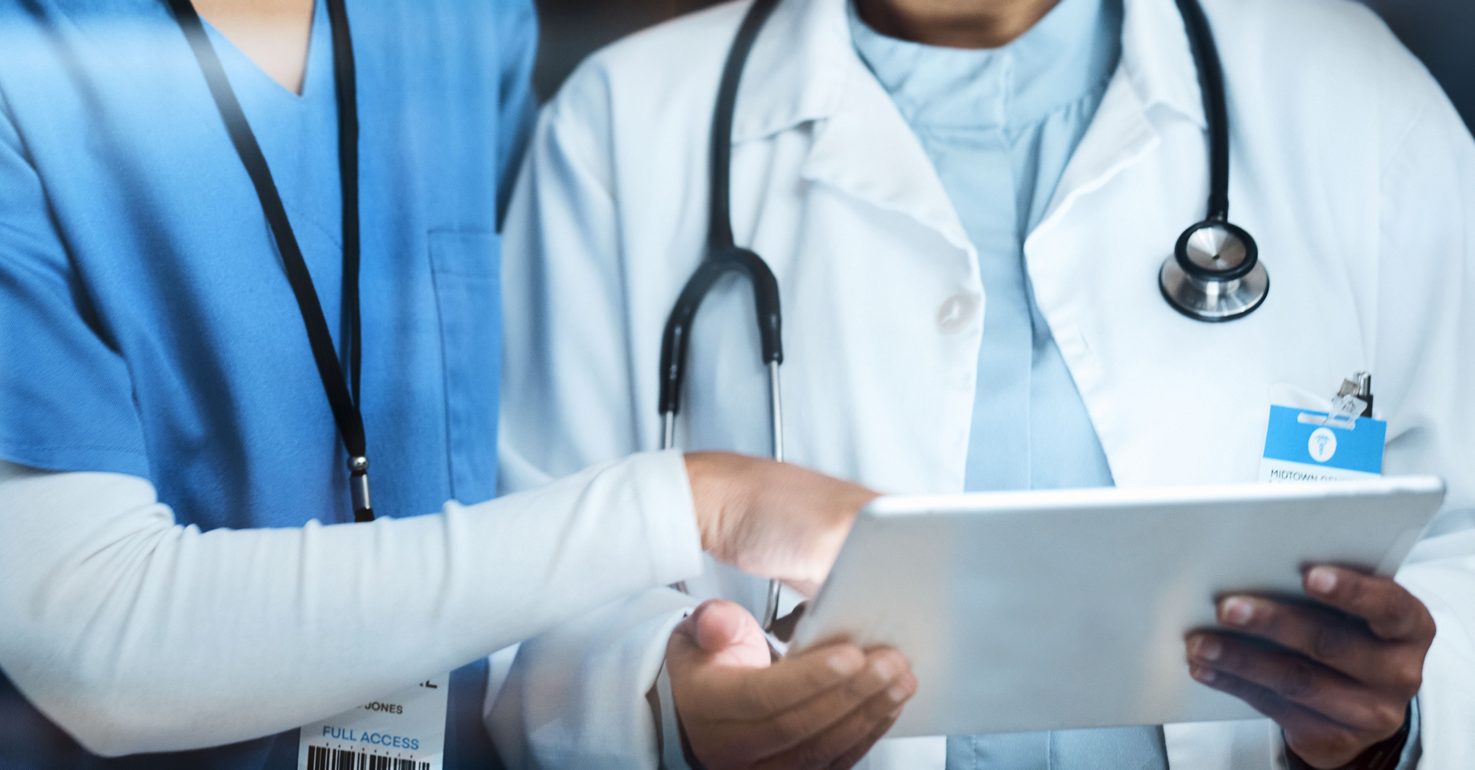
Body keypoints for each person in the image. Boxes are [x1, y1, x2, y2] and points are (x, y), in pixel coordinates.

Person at [0, 0, 911, 767]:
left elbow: (514, 495)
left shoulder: (460, 20)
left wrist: (666, 689)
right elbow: (96, 640)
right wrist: (693, 500)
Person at [490, 0, 1475, 767]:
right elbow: (522, 598)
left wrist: (1397, 712)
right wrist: (667, 710)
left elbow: (1460, 543)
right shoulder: (621, 128)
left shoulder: (1354, 100)